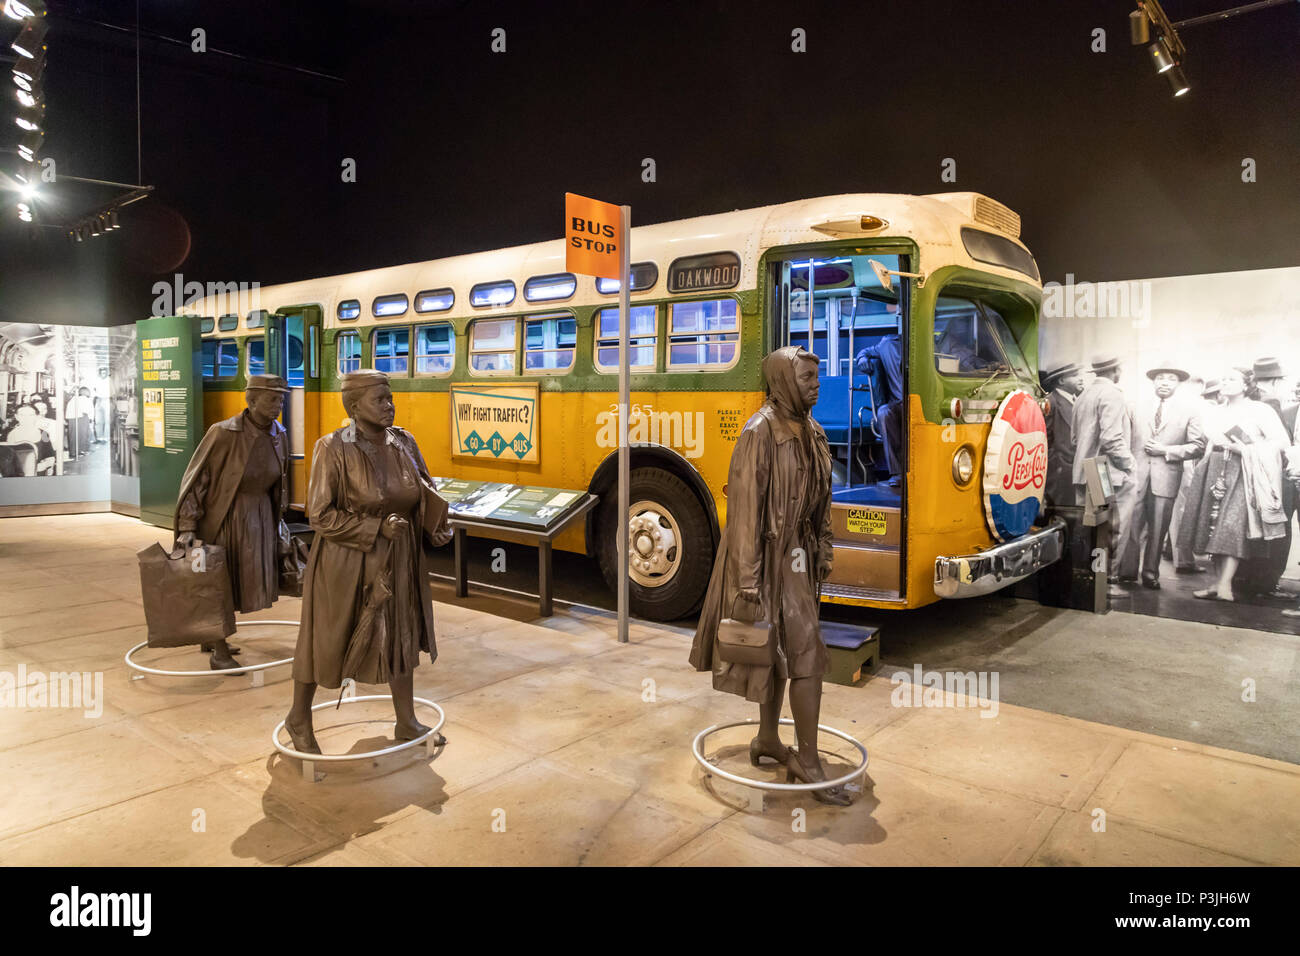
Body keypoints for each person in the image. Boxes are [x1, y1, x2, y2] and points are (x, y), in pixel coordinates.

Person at [689, 346, 850, 805]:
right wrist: (747, 581)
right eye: (805, 377)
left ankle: (767, 738)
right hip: (763, 558)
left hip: (797, 558)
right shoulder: (759, 432)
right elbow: (742, 513)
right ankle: (808, 760)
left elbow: (823, 498)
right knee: (805, 655)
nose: (816, 384)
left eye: (817, 376)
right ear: (782, 380)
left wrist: (824, 545)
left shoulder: (812, 431)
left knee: (780, 649)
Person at [284, 369, 452, 755]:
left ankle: (406, 721)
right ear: (355, 406)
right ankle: (299, 718)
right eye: (380, 400)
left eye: (390, 398)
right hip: (347, 564)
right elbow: (320, 516)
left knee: (401, 634)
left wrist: (436, 523)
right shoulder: (333, 447)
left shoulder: (404, 441)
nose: (390, 406)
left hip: (400, 557)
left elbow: (425, 490)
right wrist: (375, 528)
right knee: (325, 640)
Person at [173, 374, 291, 669]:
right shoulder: (223, 433)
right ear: (251, 401)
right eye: (272, 398)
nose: (278, 404)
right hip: (226, 517)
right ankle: (219, 651)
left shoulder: (279, 432)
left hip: (260, 514)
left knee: (240, 582)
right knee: (219, 582)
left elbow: (281, 478)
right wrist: (188, 525)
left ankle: (211, 636)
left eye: (281, 398)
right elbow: (198, 480)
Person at [1177, 367, 1288, 602]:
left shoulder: (1260, 409)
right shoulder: (1215, 411)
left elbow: (1281, 442)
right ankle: (1217, 583)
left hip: (1244, 470)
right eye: (1223, 378)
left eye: (1232, 379)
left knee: (1230, 525)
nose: (1225, 383)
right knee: (1212, 525)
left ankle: (1225, 584)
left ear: (1246, 384)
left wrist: (1247, 450)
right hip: (1214, 467)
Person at [1119, 361, 1206, 588]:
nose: (1165, 383)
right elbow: (1124, 440)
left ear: (1178, 383)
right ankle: (1127, 572)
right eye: (1160, 378)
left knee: (1159, 528)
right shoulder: (1135, 406)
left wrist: (1166, 451)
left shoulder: (1189, 411)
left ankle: (1150, 573)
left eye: (1171, 379)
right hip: (1135, 474)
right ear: (1153, 381)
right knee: (1131, 524)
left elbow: (1198, 445)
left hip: (1167, 476)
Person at [1071, 355, 1138, 586]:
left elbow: (1074, 439)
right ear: (1116, 370)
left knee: (1093, 528)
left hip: (1086, 470)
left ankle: (1093, 581)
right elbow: (1111, 438)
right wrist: (1130, 464)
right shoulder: (1112, 394)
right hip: (1105, 471)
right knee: (1113, 528)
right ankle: (1107, 582)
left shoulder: (1083, 396)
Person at [855, 333, 904, 486]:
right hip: (899, 404)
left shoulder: (932, 342)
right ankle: (897, 473)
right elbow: (864, 353)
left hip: (922, 402)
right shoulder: (888, 343)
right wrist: (862, 360)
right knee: (883, 412)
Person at [1040, 362, 1084, 509]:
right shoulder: (1050, 402)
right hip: (1060, 475)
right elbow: (1044, 441)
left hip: (1075, 472)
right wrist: (1057, 467)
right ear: (1061, 381)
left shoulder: (1076, 401)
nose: (1081, 378)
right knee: (1062, 515)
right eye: (1075, 375)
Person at [65, 386, 94, 459]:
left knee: (73, 435)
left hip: (71, 418)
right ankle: (82, 450)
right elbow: (88, 410)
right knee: (83, 435)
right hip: (82, 417)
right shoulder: (85, 399)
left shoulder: (73, 399)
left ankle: (73, 452)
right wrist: (91, 419)